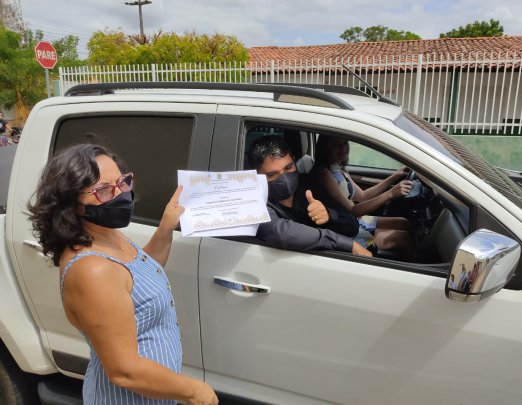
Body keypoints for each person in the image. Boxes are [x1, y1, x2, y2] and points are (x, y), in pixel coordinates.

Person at [27, 144, 218, 405]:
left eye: (122, 182)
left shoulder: (106, 235)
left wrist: (165, 228)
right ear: (71, 203)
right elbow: (125, 371)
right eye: (104, 190)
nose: (120, 194)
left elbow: (140, 274)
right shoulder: (93, 270)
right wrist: (195, 391)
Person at [247, 135, 372, 257]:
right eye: (272, 175)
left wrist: (328, 215)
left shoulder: (308, 185)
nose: (284, 178)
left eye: (288, 167)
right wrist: (346, 244)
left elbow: (352, 225)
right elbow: (282, 233)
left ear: (294, 161)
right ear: (257, 176)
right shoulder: (255, 202)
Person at [311, 135, 415, 259]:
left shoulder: (340, 170)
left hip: (356, 221)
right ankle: (416, 266)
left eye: (344, 143)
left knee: (403, 222)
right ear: (324, 149)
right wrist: (390, 194)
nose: (343, 148)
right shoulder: (324, 175)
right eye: (336, 145)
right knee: (403, 238)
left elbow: (363, 196)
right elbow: (353, 210)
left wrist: (394, 177)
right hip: (345, 230)